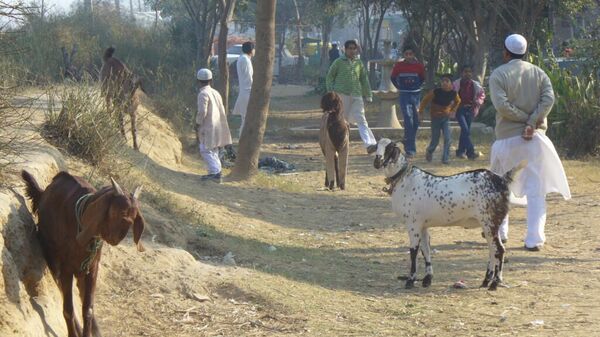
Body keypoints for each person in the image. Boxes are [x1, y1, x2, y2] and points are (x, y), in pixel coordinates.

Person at [489, 33, 571, 251]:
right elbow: (548, 99)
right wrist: (532, 121)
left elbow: (502, 106)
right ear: (526, 52)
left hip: (507, 139)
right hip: (535, 140)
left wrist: (525, 120)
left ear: (506, 53)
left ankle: (500, 234)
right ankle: (534, 240)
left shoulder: (498, 74)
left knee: (500, 187)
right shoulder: (539, 73)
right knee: (536, 190)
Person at [326, 39, 377, 153]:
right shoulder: (338, 62)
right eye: (350, 48)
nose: (352, 51)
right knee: (342, 121)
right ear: (345, 49)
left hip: (356, 95)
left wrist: (368, 94)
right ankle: (339, 144)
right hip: (341, 95)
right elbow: (330, 77)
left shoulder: (359, 63)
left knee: (361, 119)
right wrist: (331, 92)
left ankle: (370, 144)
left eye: (354, 48)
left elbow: (364, 79)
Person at [195, 68, 233, 183]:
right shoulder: (216, 92)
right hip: (218, 125)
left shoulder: (203, 94)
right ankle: (215, 172)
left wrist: (197, 123)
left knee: (205, 149)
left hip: (208, 126)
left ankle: (216, 173)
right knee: (214, 150)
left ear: (198, 81)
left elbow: (202, 112)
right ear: (210, 80)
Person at [390, 45, 425, 158]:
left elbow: (422, 78)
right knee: (408, 119)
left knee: (415, 121)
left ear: (414, 54)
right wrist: (399, 87)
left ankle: (408, 140)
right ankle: (410, 149)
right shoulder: (399, 66)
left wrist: (417, 86)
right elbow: (393, 78)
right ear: (404, 55)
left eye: (411, 54)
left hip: (416, 95)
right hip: (404, 95)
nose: (409, 56)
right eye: (406, 54)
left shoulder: (419, 66)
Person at [418, 74, 461, 164]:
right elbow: (424, 100)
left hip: (445, 118)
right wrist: (420, 112)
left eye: (447, 81)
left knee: (448, 138)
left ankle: (445, 159)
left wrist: (452, 110)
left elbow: (458, 101)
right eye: (443, 81)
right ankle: (430, 151)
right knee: (435, 139)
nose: (444, 83)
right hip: (435, 118)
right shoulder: (436, 92)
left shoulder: (454, 93)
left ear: (451, 83)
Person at [452, 65, 485, 159]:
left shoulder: (475, 85)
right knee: (465, 130)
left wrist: (478, 102)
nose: (468, 74)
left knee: (465, 131)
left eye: (470, 72)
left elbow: (481, 95)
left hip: (470, 109)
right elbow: (451, 95)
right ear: (461, 73)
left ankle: (460, 152)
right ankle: (470, 152)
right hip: (459, 110)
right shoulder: (456, 84)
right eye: (465, 71)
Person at [233, 41, 254, 137]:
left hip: (244, 91)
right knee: (247, 118)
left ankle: (244, 137)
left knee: (245, 118)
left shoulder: (242, 58)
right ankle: (243, 138)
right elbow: (249, 77)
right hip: (247, 92)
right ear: (251, 50)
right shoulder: (245, 60)